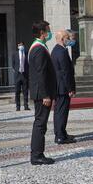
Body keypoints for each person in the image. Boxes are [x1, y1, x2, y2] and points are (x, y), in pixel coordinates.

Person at [29, 20, 57, 165]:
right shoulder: (38, 48)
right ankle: (37, 155)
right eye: (48, 30)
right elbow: (40, 73)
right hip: (42, 93)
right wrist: (46, 94)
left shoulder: (38, 47)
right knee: (40, 123)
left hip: (41, 92)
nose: (49, 32)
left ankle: (37, 153)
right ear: (42, 32)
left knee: (40, 123)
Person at [51, 30, 77, 144]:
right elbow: (65, 72)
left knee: (59, 111)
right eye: (68, 37)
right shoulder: (61, 51)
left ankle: (61, 132)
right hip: (63, 87)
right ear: (63, 39)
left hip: (58, 86)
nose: (69, 39)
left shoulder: (56, 50)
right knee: (62, 112)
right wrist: (70, 88)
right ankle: (60, 136)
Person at [12, 41, 30, 111]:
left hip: (25, 74)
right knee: (17, 91)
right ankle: (18, 106)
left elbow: (28, 63)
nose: (20, 46)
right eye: (19, 45)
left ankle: (26, 105)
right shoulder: (15, 54)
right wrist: (16, 70)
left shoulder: (27, 53)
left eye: (22, 45)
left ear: (24, 45)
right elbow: (13, 64)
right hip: (17, 75)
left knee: (25, 91)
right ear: (17, 46)